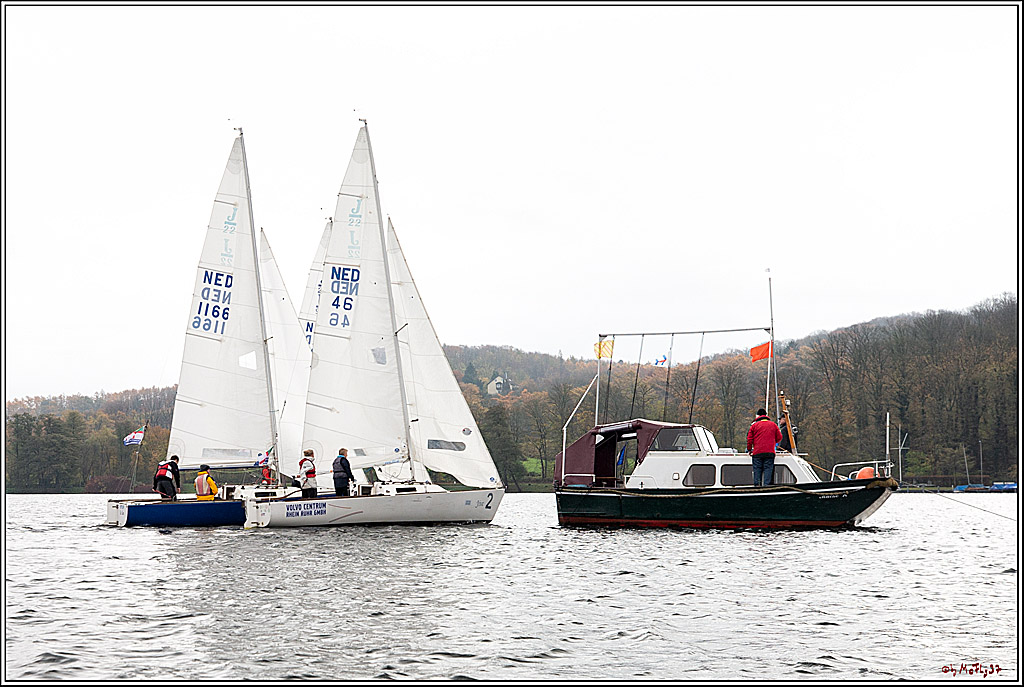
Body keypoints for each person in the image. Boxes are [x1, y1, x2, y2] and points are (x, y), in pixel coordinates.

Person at [746, 408, 783, 486]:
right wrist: (772, 442)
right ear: (766, 416)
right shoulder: (773, 425)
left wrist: (749, 450)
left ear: (758, 416)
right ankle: (766, 487)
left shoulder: (754, 426)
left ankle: (757, 487)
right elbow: (779, 437)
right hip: (770, 452)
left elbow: (749, 439)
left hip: (757, 453)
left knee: (757, 471)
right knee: (768, 470)